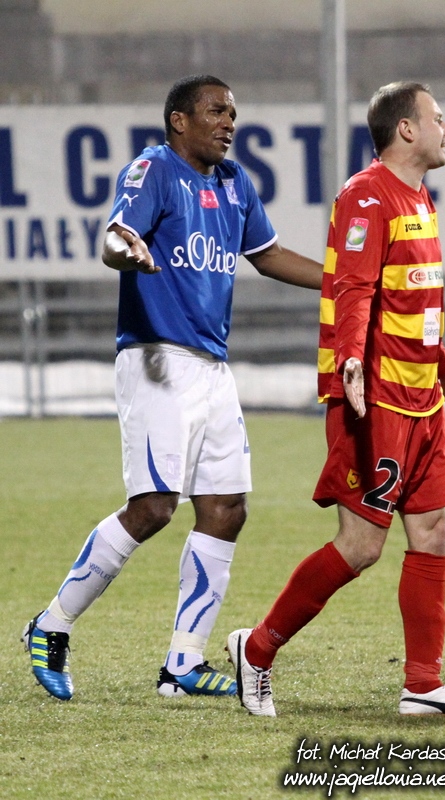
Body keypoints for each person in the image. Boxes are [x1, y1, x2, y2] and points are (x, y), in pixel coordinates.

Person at [22, 74, 323, 702]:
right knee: (155, 507)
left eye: (233, 113)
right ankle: (51, 624)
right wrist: (125, 252)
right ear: (179, 120)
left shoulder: (235, 182)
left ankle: (183, 664)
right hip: (156, 355)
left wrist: (345, 281)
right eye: (216, 111)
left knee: (226, 507)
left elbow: (267, 255)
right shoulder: (154, 169)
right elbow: (115, 237)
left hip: (212, 366)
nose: (229, 123)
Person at [227, 81, 445, 718]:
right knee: (361, 546)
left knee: (432, 531)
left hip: (420, 396)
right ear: (407, 129)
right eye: (438, 118)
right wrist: (350, 358)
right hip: (374, 400)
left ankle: (423, 684)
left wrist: (443, 362)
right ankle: (257, 649)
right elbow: (352, 288)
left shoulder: (419, 196)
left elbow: (409, 298)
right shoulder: (366, 195)